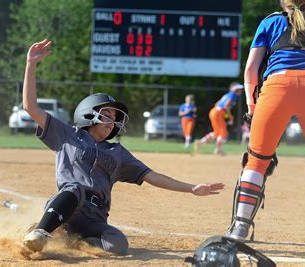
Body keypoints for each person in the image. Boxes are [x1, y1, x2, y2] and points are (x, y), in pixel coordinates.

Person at [20, 39, 225, 255]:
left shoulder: (117, 152)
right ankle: (41, 232)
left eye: (115, 119)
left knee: (118, 244)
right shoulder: (68, 134)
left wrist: (191, 188)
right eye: (106, 115)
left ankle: (68, 242)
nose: (112, 122)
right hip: (69, 204)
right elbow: (30, 107)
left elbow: (151, 176)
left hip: (95, 217)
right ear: (88, 114)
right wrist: (31, 64)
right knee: (75, 188)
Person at [225, 0, 305, 246]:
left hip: (277, 87)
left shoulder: (270, 22)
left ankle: (240, 226)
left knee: (258, 160)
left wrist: (253, 109)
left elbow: (251, 69)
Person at [194, 82, 244, 155]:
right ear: (234, 89)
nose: (240, 90)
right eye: (238, 89)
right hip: (218, 113)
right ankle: (218, 149)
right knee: (223, 133)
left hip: (214, 111)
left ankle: (201, 142)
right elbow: (226, 106)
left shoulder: (227, 95)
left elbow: (217, 104)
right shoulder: (233, 95)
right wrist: (230, 117)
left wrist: (226, 117)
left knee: (217, 133)